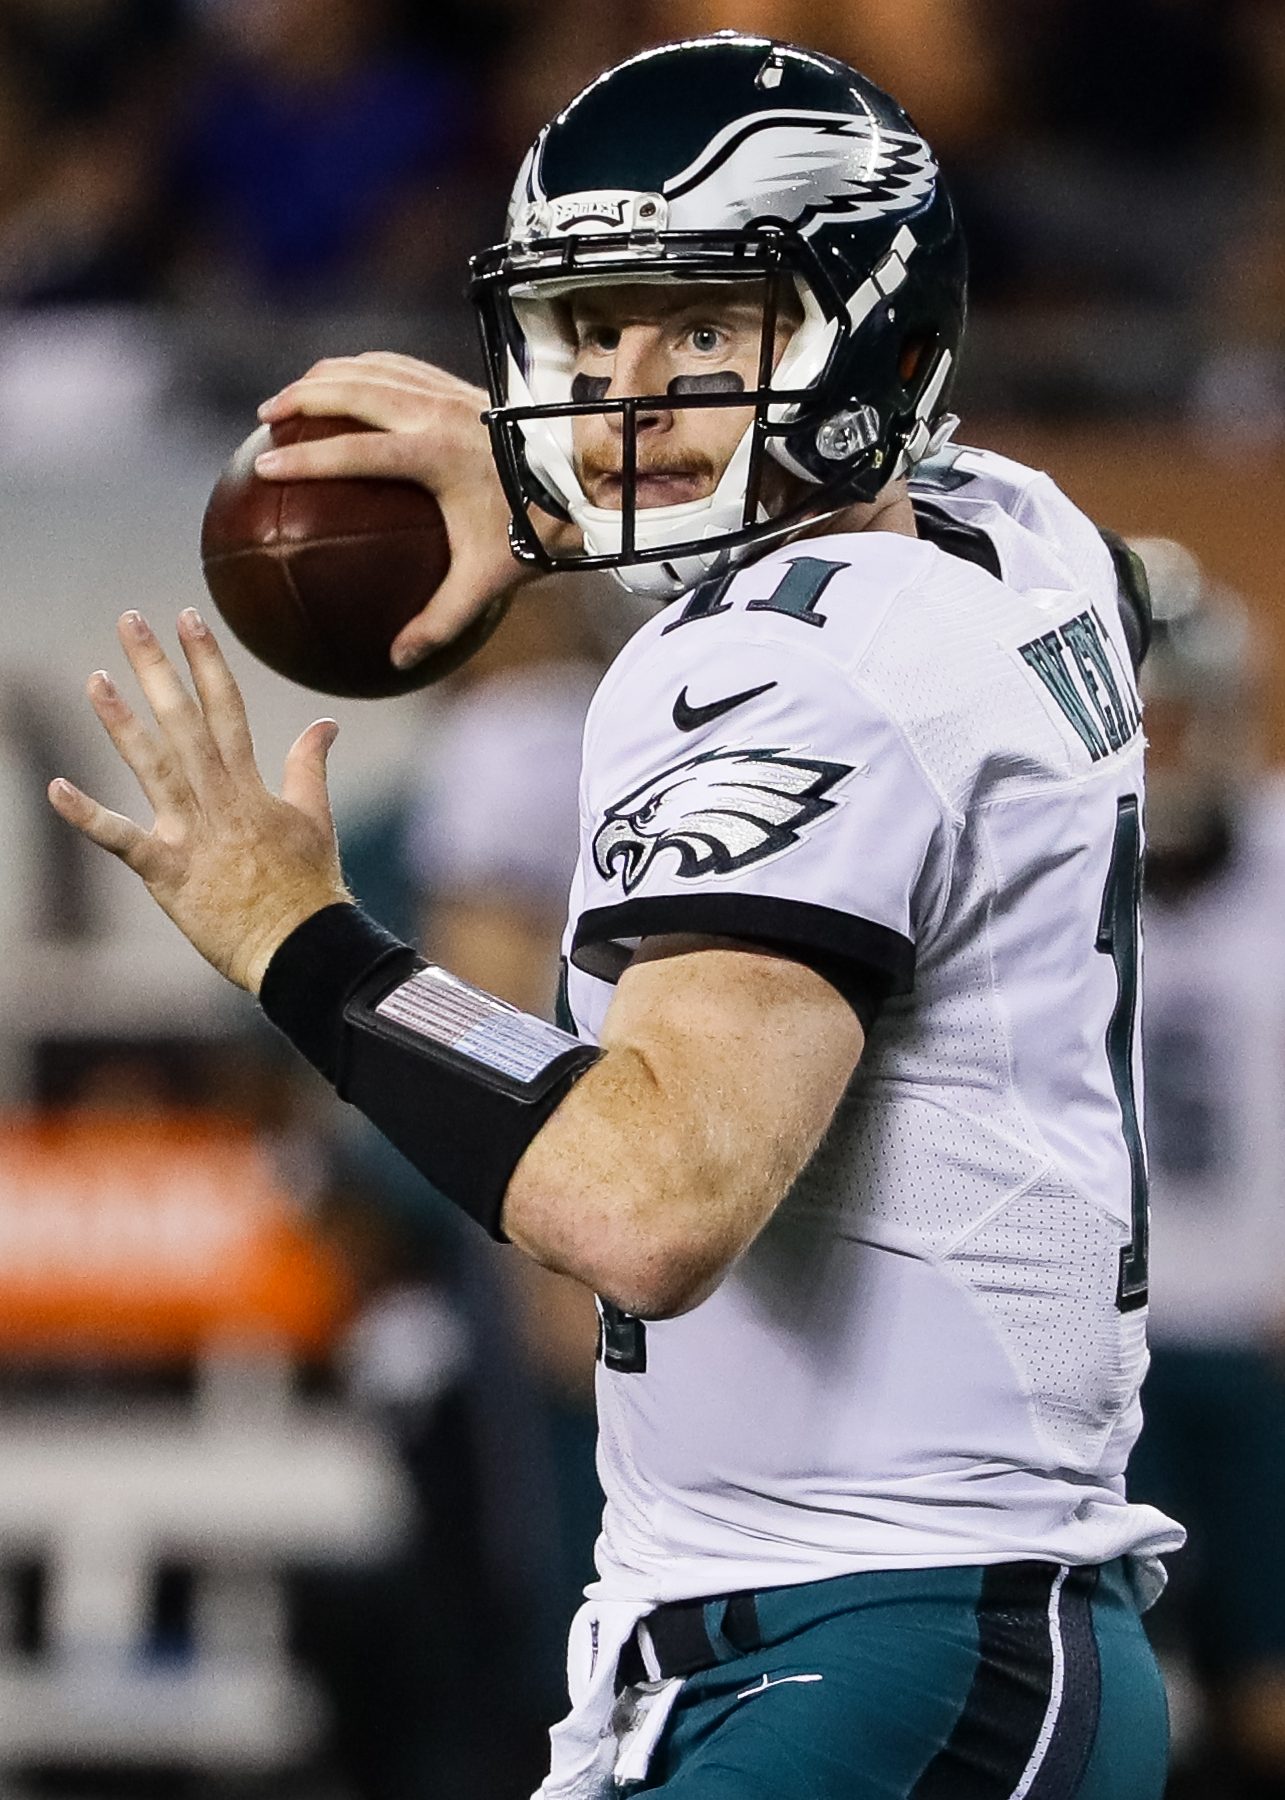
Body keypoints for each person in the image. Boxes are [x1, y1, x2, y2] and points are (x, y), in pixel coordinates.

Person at [48, 34, 1183, 1799]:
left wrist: (302, 940)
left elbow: (643, 1206)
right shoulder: (1019, 542)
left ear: (863, 334)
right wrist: (556, 496)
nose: (629, 394)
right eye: (590, 335)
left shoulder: (781, 667)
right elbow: (884, 519)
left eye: (701, 331)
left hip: (873, 1640)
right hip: (911, 1627)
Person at [1124, 541, 1285, 1799]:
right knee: (1137, 1698)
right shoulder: (1049, 873)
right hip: (1109, 1350)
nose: (1167, 748)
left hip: (1258, 1329)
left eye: (1184, 717)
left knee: (1268, 1691)